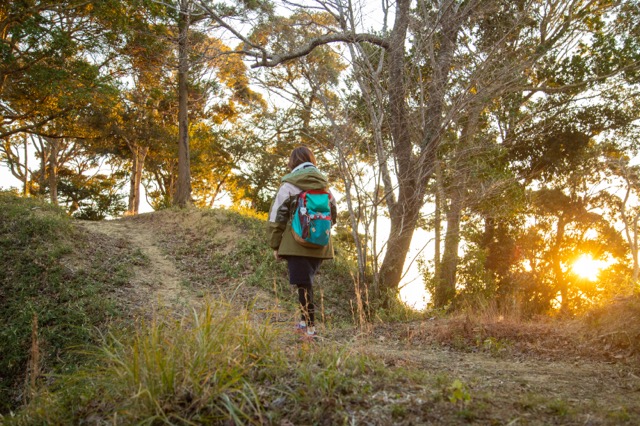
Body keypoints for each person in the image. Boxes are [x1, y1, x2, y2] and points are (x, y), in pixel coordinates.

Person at [268, 146, 336, 340]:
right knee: (306, 284)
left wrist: (276, 245)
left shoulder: (289, 185)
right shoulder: (324, 186)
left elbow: (276, 218)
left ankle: (310, 331)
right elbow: (334, 215)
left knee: (303, 285)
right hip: (320, 243)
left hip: (297, 244)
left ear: (292, 163)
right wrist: (316, 231)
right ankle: (305, 324)